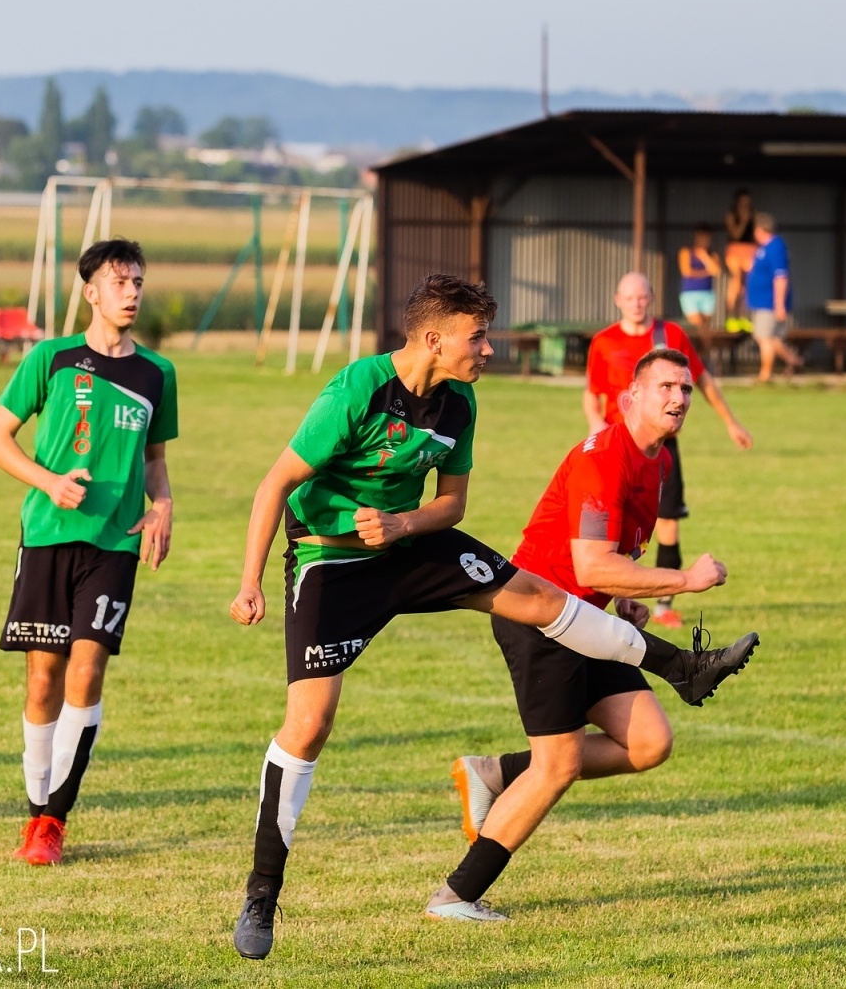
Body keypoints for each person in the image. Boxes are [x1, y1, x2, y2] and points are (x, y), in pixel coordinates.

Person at [226, 274, 759, 960]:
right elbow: (276, 483)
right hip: (331, 559)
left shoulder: (459, 404)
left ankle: (681, 668)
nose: (489, 349)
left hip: (409, 540)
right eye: (478, 337)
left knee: (535, 596)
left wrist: (402, 523)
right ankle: (262, 893)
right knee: (310, 723)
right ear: (434, 337)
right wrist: (249, 582)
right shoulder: (357, 390)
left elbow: (451, 507)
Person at [434, 347, 751, 921]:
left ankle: (493, 773)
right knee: (557, 766)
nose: (679, 398)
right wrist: (684, 580)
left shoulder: (654, 460)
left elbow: (618, 553)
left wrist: (627, 595)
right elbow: (589, 566)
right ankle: (455, 896)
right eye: (665, 388)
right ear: (630, 397)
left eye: (684, 389)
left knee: (650, 741)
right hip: (539, 619)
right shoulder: (604, 458)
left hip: (589, 622)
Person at [0, 238, 177, 868]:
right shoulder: (52, 358)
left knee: (87, 673)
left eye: (138, 283)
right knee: (43, 679)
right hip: (47, 536)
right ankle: (34, 807)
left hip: (114, 544)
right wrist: (49, 482)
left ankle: (54, 823)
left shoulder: (157, 374)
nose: (131, 293)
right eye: (119, 283)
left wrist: (162, 508)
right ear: (90, 291)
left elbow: (156, 460)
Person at [584, 272, 751, 629]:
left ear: (652, 298)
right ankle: (617, 594)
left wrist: (730, 422)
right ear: (618, 300)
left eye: (643, 297)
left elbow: (701, 380)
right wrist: (595, 422)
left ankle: (663, 604)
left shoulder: (670, 336)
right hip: (619, 444)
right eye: (630, 298)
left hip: (662, 448)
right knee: (617, 529)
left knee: (667, 525)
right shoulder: (604, 342)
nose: (637, 304)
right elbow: (591, 391)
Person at [746, 212, 804, 382]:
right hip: (761, 301)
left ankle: (765, 375)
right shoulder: (764, 248)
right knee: (774, 339)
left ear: (760, 229)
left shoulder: (776, 247)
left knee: (765, 338)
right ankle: (795, 361)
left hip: (769, 302)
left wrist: (779, 304)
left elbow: (781, 277)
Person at [676, 224, 722, 330]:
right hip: (690, 294)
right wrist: (707, 272)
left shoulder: (712, 254)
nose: (705, 240)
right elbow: (686, 272)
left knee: (705, 328)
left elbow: (716, 271)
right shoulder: (686, 251)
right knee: (697, 325)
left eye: (707, 238)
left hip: (707, 294)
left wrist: (704, 256)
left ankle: (705, 347)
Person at [723, 189, 757, 326]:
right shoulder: (731, 215)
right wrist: (743, 220)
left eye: (747, 202)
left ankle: (742, 317)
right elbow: (735, 234)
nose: (745, 205)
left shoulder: (753, 214)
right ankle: (730, 317)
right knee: (736, 282)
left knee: (747, 285)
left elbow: (755, 236)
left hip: (750, 250)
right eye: (743, 202)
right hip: (735, 249)